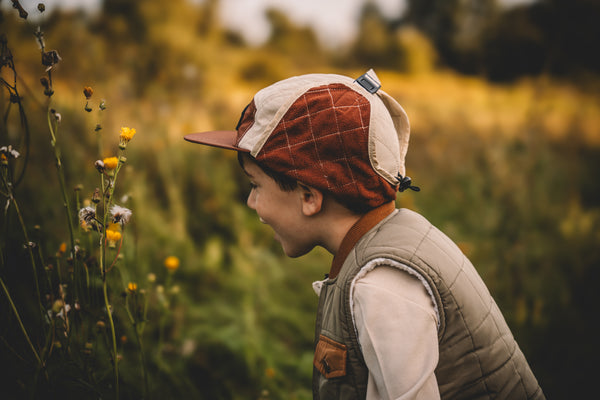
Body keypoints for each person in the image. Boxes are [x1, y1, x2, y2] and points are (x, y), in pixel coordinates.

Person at [184, 70, 545, 400]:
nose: (251, 202)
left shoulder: (382, 286)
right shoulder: (400, 236)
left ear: (309, 196)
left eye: (255, 185)